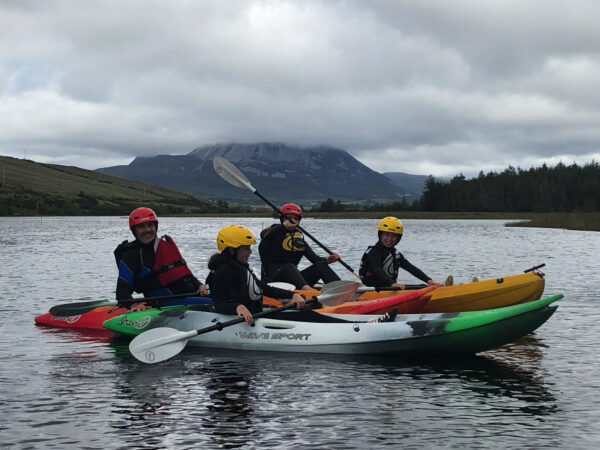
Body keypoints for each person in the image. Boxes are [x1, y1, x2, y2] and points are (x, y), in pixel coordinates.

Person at [206, 224, 305, 325]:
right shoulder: (222, 271)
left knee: (306, 313)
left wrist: (293, 295)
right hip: (239, 321)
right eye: (246, 248)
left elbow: (264, 288)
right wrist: (237, 306)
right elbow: (219, 304)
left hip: (256, 314)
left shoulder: (242, 267)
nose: (250, 252)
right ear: (232, 250)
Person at [115, 207, 208, 311]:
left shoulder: (164, 246)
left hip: (188, 297)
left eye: (150, 225)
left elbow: (184, 274)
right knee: (215, 303)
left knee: (222, 298)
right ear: (134, 230)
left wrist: (200, 285)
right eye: (142, 227)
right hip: (165, 304)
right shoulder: (132, 255)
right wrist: (133, 305)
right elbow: (122, 290)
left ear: (156, 226)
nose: (147, 230)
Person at [258, 203, 341, 290]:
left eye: (296, 219)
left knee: (320, 265)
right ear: (282, 218)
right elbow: (264, 235)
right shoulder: (271, 232)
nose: (292, 221)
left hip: (294, 282)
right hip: (273, 283)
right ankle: (310, 292)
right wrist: (283, 226)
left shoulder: (298, 238)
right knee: (288, 266)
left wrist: (327, 260)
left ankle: (341, 290)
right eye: (289, 218)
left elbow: (315, 260)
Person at [359, 217, 443, 289]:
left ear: (398, 238)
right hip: (374, 289)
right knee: (420, 287)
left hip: (389, 288)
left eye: (394, 236)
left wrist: (428, 280)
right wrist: (392, 284)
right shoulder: (374, 252)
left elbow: (410, 268)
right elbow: (378, 270)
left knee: (423, 285)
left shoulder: (395, 254)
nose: (389, 239)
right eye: (386, 235)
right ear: (380, 235)